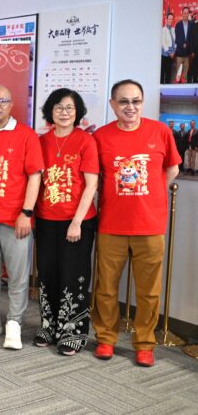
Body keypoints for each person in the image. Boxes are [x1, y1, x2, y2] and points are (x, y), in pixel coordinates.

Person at [92, 79, 180, 367]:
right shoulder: (101, 136)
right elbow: (95, 178)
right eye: (124, 101)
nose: (130, 107)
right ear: (113, 104)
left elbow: (172, 169)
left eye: (136, 101)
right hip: (111, 224)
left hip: (150, 225)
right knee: (106, 287)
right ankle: (106, 338)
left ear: (143, 103)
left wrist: (151, 193)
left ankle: (144, 343)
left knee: (148, 290)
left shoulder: (160, 131)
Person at [0, 85, 43, 350]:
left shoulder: (26, 135)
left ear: (11, 105)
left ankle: (14, 321)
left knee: (17, 276)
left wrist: (26, 212)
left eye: (3, 101)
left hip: (16, 219)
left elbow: (35, 176)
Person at [33, 89, 99, 356]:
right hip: (46, 219)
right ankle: (49, 326)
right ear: (50, 111)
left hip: (78, 220)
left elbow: (91, 184)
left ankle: (73, 331)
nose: (64, 112)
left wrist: (77, 222)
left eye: (70, 108)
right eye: (59, 107)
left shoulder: (86, 141)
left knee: (74, 275)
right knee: (47, 274)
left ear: (77, 112)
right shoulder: (41, 141)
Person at [173, 7, 193, 83]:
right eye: (184, 13)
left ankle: (184, 86)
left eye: (187, 13)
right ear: (182, 14)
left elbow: (192, 37)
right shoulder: (178, 25)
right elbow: (176, 38)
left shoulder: (191, 24)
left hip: (187, 54)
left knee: (185, 74)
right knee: (178, 73)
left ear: (188, 14)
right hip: (179, 53)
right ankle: (177, 86)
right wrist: (182, 44)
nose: (185, 15)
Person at [161, 13, 176, 84]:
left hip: (172, 55)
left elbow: (175, 42)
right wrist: (169, 53)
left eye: (172, 19)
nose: (170, 20)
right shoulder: (163, 30)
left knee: (169, 73)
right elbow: (163, 43)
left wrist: (174, 52)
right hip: (165, 55)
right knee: (163, 72)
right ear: (166, 20)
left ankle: (167, 86)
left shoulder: (173, 29)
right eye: (169, 19)